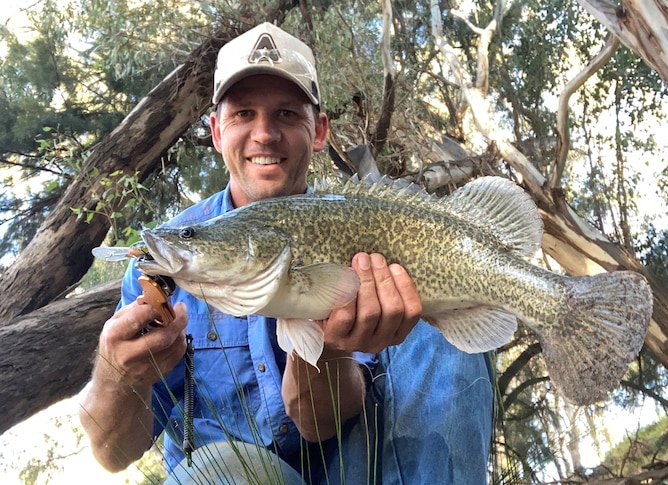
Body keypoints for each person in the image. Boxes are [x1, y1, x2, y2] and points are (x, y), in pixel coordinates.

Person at [79, 22, 493, 484]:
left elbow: (318, 421)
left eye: (286, 115)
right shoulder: (161, 268)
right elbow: (112, 453)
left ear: (318, 131)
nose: (264, 134)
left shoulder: (361, 227)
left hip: (359, 471)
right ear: (217, 132)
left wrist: (332, 346)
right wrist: (119, 374)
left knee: (438, 312)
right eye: (242, 115)